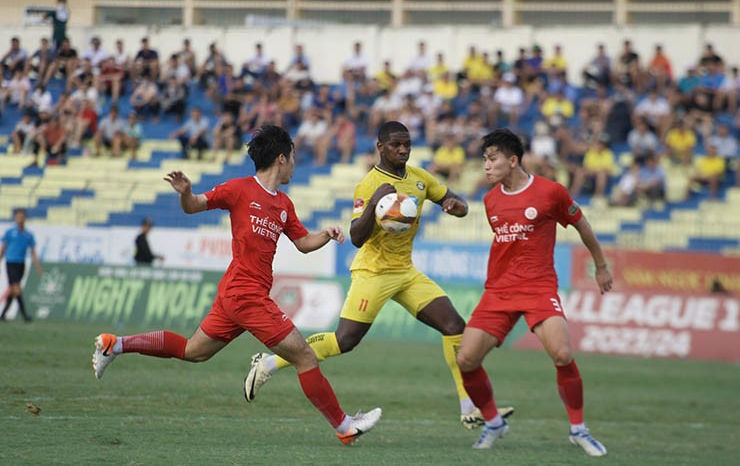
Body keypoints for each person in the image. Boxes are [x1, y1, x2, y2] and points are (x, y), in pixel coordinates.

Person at [91, 125, 381, 445]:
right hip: (246, 294)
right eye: (294, 158)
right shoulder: (239, 189)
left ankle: (113, 344)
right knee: (305, 358)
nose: (295, 165)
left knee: (193, 351)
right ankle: (344, 427)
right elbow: (194, 205)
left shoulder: (283, 204)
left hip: (237, 294)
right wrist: (186, 191)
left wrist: (326, 234)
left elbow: (302, 242)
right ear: (281, 159)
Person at [245, 121, 514, 430]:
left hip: (405, 272)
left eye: (407, 144)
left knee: (455, 326)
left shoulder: (421, 178)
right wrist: (375, 203)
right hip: (372, 273)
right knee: (344, 341)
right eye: (396, 145)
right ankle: (267, 363)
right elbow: (357, 237)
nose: (403, 150)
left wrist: (456, 206)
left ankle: (469, 407)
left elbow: (457, 202)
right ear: (380, 148)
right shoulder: (369, 185)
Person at [455, 128, 611, 456]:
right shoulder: (490, 199)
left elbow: (582, 225)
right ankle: (494, 422)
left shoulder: (551, 192)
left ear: (512, 161)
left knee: (562, 354)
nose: (486, 166)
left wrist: (600, 266)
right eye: (484, 159)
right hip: (498, 289)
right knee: (466, 359)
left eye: (492, 158)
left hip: (539, 286)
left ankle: (578, 430)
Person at [0, 208, 43, 321]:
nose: (20, 219)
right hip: (10, 263)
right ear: (15, 218)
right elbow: (3, 248)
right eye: (18, 217)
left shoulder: (28, 235)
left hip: (21, 264)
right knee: (16, 288)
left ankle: (3, 314)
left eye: (22, 217)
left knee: (14, 289)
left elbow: (33, 251)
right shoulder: (10, 232)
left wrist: (38, 266)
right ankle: (24, 314)